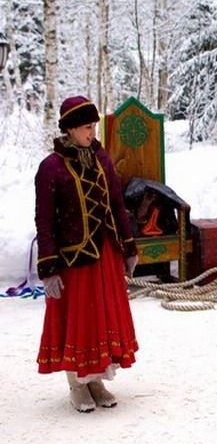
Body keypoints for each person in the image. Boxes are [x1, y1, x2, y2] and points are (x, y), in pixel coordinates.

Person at [35, 95, 139, 413]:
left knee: (101, 317)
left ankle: (96, 380)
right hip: (73, 258)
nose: (91, 133)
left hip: (104, 254)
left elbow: (117, 205)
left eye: (93, 126)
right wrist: (48, 267)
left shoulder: (101, 158)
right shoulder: (51, 168)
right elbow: (44, 219)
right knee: (79, 319)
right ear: (69, 129)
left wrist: (128, 246)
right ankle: (76, 384)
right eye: (85, 128)